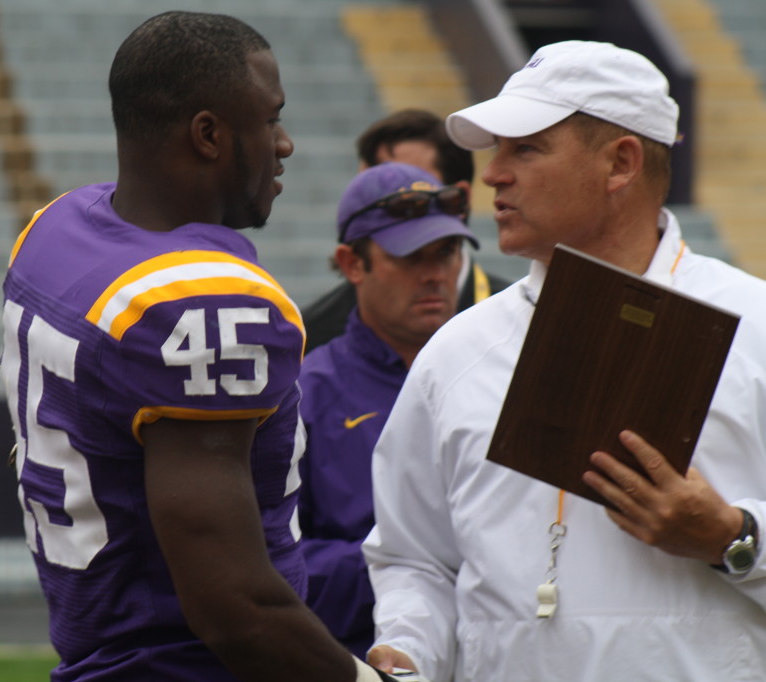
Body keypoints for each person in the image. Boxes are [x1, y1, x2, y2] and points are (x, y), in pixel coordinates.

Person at [0, 11, 397, 682]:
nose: (285, 143)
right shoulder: (204, 301)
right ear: (209, 134)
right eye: (269, 119)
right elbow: (235, 606)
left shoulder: (53, 230)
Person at [364, 40, 766, 681]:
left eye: (524, 148)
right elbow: (416, 560)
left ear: (621, 163)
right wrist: (409, 649)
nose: (492, 174)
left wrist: (733, 538)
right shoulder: (457, 351)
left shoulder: (756, 327)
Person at [297, 161, 480, 658]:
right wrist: (415, 561)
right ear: (352, 263)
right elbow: (271, 563)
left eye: (447, 252)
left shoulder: (499, 373)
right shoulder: (306, 394)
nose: (435, 274)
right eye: (411, 255)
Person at [302, 108, 509, 352]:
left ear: (459, 199)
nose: (379, 193)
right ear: (352, 264)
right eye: (371, 182)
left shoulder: (521, 322)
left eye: (413, 189)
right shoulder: (313, 337)